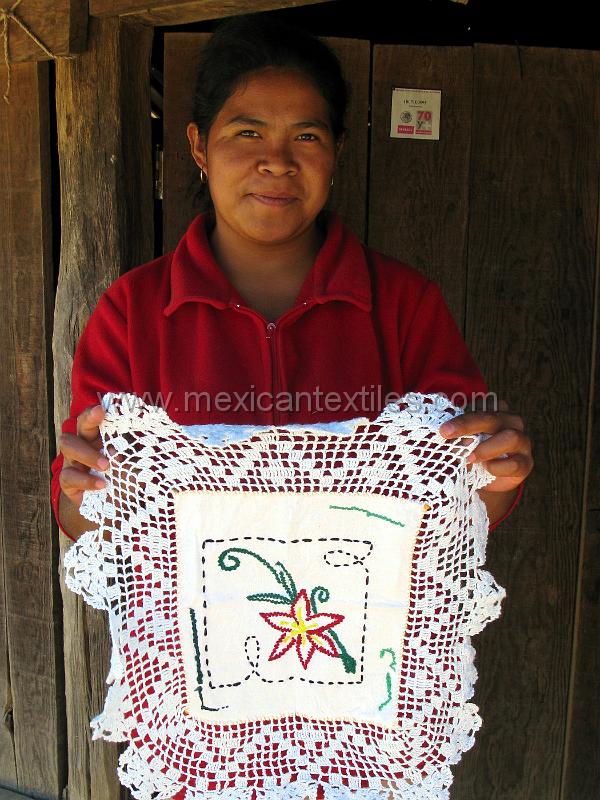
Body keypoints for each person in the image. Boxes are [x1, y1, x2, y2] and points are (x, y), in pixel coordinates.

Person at [52, 14, 532, 543]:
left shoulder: (404, 304)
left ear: (336, 152)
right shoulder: (132, 310)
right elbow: (77, 512)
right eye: (247, 132)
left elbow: (468, 498)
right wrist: (84, 495)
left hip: (360, 621)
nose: (276, 162)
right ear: (198, 146)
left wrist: (499, 472)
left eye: (305, 135)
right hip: (188, 625)